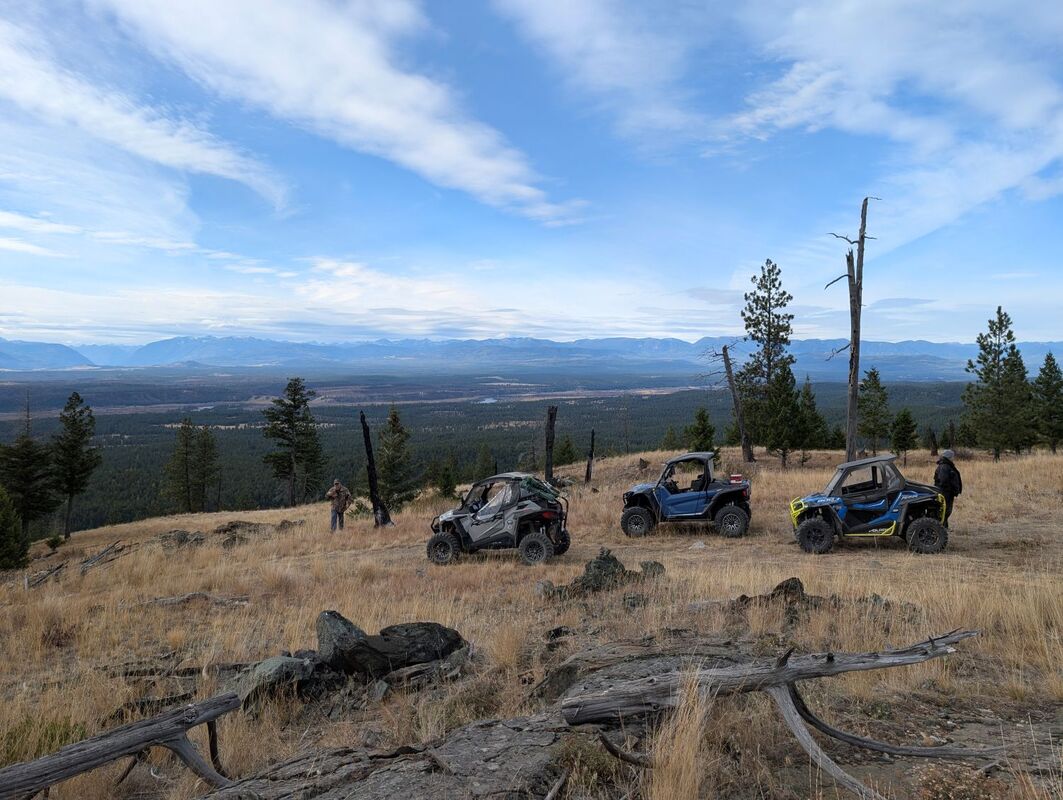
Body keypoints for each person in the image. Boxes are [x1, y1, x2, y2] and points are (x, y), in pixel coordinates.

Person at [933, 449, 963, 527]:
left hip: (948, 492)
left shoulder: (947, 465)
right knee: (944, 511)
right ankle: (941, 528)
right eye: (952, 456)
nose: (953, 458)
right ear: (949, 457)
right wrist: (949, 489)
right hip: (945, 493)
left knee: (946, 511)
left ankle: (944, 527)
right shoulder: (944, 466)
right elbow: (943, 480)